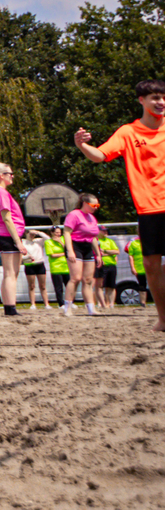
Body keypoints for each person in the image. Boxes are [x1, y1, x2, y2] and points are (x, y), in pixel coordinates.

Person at [74, 81, 165, 334]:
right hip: (148, 209)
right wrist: (82, 145)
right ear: (142, 101)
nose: (161, 102)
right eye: (155, 97)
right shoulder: (128, 132)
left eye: (163, 97)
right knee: (151, 266)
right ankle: (163, 318)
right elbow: (100, 156)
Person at [0, 165, 25, 316]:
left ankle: (10, 306)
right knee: (10, 273)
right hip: (7, 235)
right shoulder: (0, 193)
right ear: (1, 175)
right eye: (10, 173)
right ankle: (10, 307)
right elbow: (7, 218)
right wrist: (18, 241)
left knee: (12, 273)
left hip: (8, 235)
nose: (12, 176)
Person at [64, 191, 103, 312]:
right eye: (93, 205)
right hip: (75, 246)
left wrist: (98, 254)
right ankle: (68, 308)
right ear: (85, 203)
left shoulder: (92, 218)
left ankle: (91, 308)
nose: (96, 208)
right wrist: (70, 251)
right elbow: (66, 233)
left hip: (87, 247)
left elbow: (93, 238)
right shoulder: (74, 215)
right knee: (75, 278)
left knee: (88, 280)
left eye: (97, 206)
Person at [44, 216, 71, 311]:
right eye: (56, 233)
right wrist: (64, 253)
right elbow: (52, 255)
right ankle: (61, 303)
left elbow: (69, 249)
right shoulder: (48, 242)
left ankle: (70, 302)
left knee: (69, 285)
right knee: (59, 287)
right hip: (56, 268)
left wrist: (60, 242)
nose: (58, 235)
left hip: (66, 267)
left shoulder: (63, 239)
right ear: (52, 233)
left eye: (59, 233)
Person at [20, 223, 51, 308]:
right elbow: (20, 257)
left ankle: (46, 304)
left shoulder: (38, 241)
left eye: (33, 235)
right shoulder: (23, 242)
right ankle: (33, 304)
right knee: (31, 285)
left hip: (40, 264)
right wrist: (27, 257)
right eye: (31, 234)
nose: (32, 236)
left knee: (43, 286)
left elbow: (48, 238)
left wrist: (38, 232)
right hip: (30, 265)